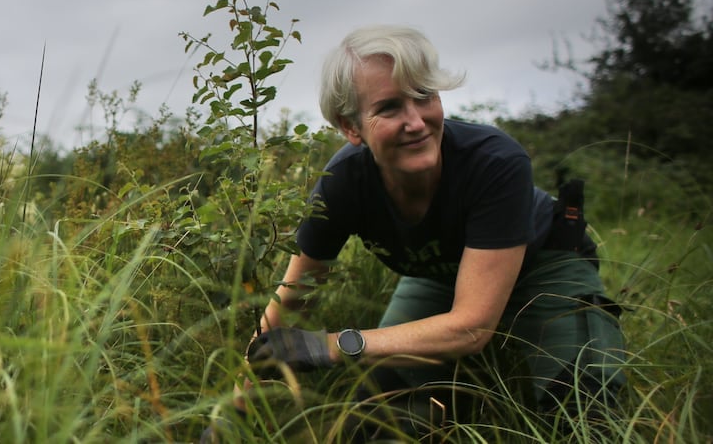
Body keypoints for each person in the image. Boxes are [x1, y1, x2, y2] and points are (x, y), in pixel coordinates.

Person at [237, 25, 627, 438]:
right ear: (351, 128)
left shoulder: (495, 161)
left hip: (545, 264)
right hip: (440, 275)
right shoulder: (342, 184)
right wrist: (233, 414)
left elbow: (472, 327)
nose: (416, 122)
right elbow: (289, 306)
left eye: (424, 96)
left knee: (586, 416)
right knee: (371, 417)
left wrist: (332, 345)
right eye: (388, 108)